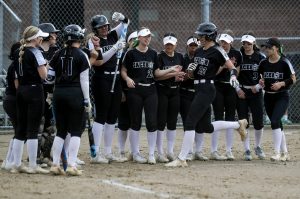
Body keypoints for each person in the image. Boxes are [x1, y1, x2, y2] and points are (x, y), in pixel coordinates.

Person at [165, 22, 248, 167]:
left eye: (202, 35)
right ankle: (238, 124)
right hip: (198, 87)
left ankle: (182, 158)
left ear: (210, 35)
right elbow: (193, 76)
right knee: (206, 127)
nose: (199, 38)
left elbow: (232, 68)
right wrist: (189, 73)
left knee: (190, 122)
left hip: (207, 88)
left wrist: (233, 76)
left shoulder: (217, 50)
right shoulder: (199, 51)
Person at [121, 27, 182, 164]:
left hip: (150, 90)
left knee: (152, 122)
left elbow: (156, 74)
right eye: (144, 36)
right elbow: (123, 70)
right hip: (135, 90)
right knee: (135, 122)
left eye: (149, 36)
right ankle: (136, 153)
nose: (147, 39)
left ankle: (151, 154)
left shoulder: (153, 53)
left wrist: (172, 69)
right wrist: (127, 79)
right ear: (139, 38)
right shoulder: (131, 54)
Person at [49, 24, 91, 176]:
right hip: (75, 94)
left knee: (61, 131)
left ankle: (55, 164)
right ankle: (72, 165)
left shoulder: (57, 53)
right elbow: (84, 80)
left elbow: (49, 77)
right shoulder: (82, 54)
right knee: (75, 131)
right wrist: (87, 100)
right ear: (78, 37)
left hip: (59, 93)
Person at [89, 12, 129, 163]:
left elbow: (126, 23)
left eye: (106, 26)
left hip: (116, 77)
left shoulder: (112, 35)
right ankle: (96, 153)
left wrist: (122, 17)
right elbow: (99, 61)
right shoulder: (94, 41)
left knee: (113, 116)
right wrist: (114, 48)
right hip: (102, 78)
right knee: (101, 115)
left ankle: (108, 151)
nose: (104, 29)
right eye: (101, 27)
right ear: (95, 29)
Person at [11, 26, 49, 174]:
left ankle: (16, 164)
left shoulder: (17, 52)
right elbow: (44, 75)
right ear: (34, 39)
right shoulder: (35, 52)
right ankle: (33, 165)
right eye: (40, 37)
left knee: (20, 129)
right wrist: (45, 64)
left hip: (21, 91)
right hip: (34, 91)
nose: (42, 39)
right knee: (32, 129)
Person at [259, 37, 296, 161]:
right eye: (266, 47)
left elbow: (293, 79)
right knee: (277, 124)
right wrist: (261, 81)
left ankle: (277, 153)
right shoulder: (263, 63)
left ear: (276, 48)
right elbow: (261, 77)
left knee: (274, 121)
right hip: (268, 96)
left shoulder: (284, 62)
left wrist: (281, 84)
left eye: (269, 47)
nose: (267, 49)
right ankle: (285, 153)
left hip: (281, 96)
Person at [210, 30, 242, 161]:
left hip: (230, 87)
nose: (223, 44)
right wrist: (223, 66)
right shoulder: (216, 52)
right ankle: (214, 150)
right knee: (217, 116)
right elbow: (213, 73)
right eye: (221, 42)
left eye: (225, 42)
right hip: (217, 86)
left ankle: (229, 150)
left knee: (230, 118)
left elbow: (237, 72)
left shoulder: (236, 54)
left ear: (231, 42)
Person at [156, 33, 185, 163]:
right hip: (162, 91)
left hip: (175, 92)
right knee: (161, 122)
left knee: (172, 122)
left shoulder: (180, 57)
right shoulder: (159, 57)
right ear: (164, 44)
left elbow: (182, 74)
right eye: (167, 44)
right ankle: (160, 152)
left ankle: (170, 151)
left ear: (175, 44)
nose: (169, 46)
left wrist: (180, 76)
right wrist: (173, 75)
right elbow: (157, 76)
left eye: (171, 44)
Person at [236, 32, 266, 161]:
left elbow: (265, 76)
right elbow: (233, 75)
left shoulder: (260, 57)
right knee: (244, 122)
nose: (246, 45)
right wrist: (238, 89)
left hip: (256, 92)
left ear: (253, 43)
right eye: (244, 43)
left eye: (248, 43)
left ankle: (258, 146)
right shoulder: (239, 57)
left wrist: (258, 87)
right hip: (242, 92)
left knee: (258, 121)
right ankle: (247, 149)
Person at [180, 36, 209, 161]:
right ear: (187, 47)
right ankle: (190, 151)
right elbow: (181, 77)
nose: (193, 48)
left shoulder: (202, 58)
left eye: (195, 46)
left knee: (201, 122)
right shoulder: (183, 59)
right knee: (189, 122)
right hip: (186, 93)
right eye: (191, 46)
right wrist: (188, 74)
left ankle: (198, 150)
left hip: (199, 92)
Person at [37, 23, 60, 164]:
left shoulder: (56, 51)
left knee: (51, 127)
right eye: (53, 33)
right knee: (39, 125)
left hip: (51, 93)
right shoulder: (36, 51)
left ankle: (46, 155)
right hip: (39, 91)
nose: (55, 36)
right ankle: (36, 155)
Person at [117, 31, 138, 160]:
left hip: (137, 93)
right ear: (129, 42)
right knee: (123, 123)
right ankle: (121, 150)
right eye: (133, 40)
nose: (136, 42)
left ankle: (133, 150)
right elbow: (119, 74)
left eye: (138, 39)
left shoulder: (143, 54)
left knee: (134, 123)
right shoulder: (123, 55)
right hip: (125, 92)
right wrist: (122, 91)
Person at [1, 42, 21, 171]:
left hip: (12, 100)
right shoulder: (15, 66)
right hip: (13, 100)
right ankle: (9, 161)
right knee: (20, 131)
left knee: (19, 131)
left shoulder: (17, 66)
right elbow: (17, 87)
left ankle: (8, 161)